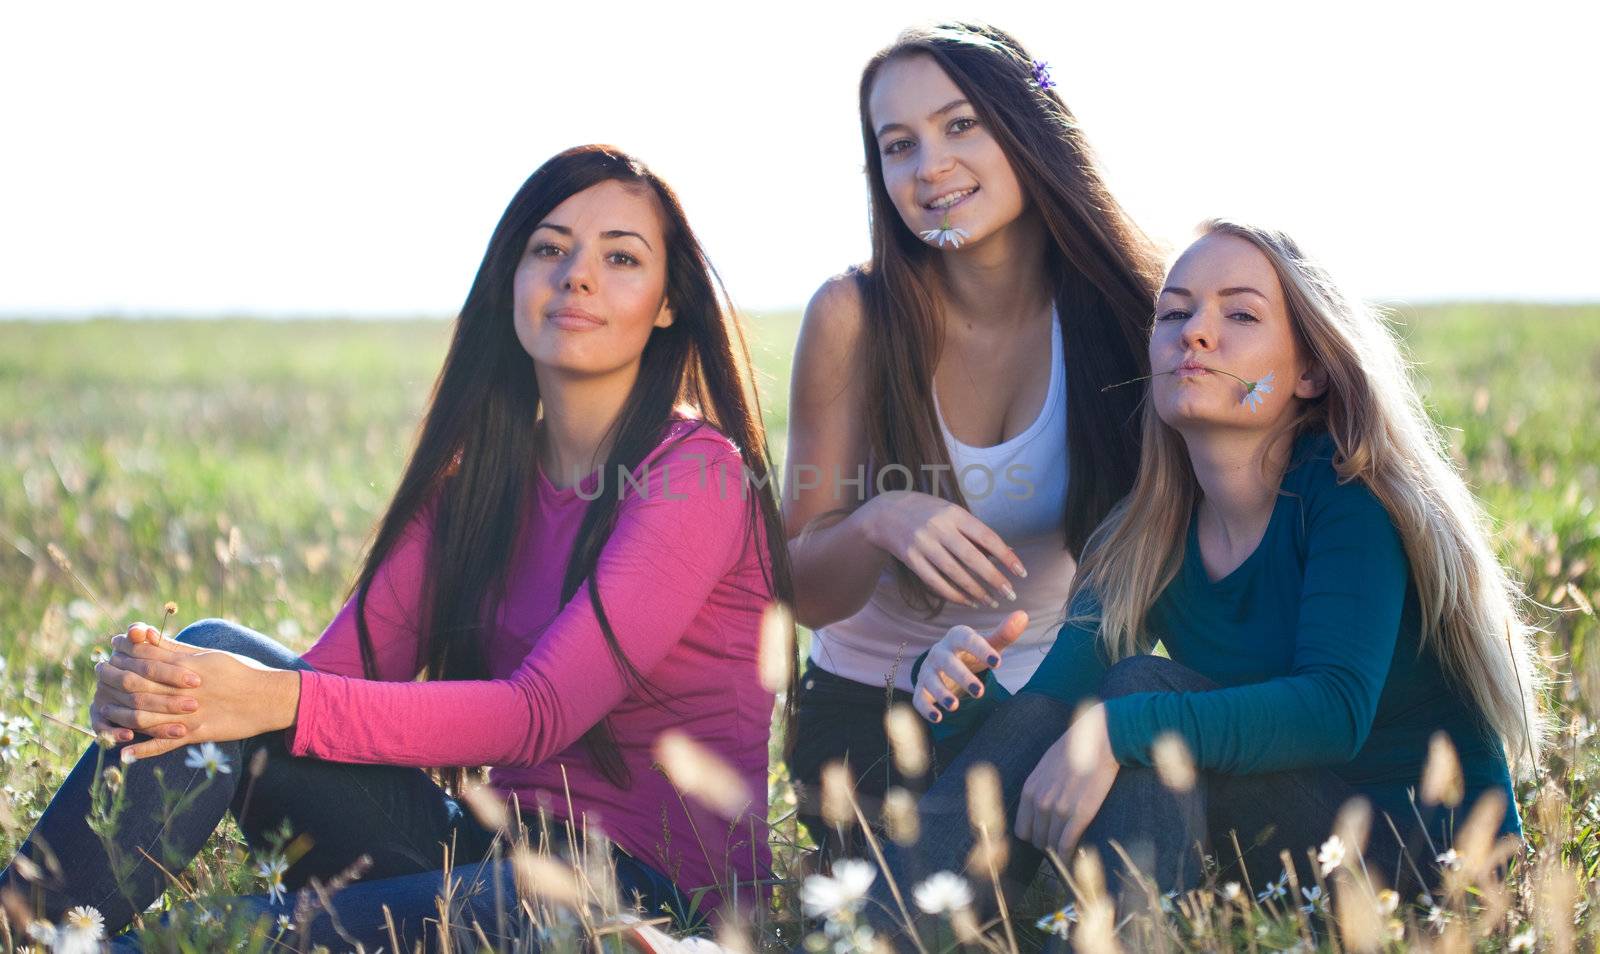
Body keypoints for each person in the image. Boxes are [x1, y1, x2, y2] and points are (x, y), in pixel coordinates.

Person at [0, 145, 795, 949]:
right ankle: (18, 923)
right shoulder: (479, 485)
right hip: (481, 853)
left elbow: (539, 714)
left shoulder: (698, 475)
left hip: (648, 899)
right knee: (207, 654)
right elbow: (330, 686)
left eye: (621, 257)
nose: (577, 275)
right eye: (549, 249)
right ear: (510, 283)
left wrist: (266, 699)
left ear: (667, 304)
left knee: (216, 936)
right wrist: (177, 693)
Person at [884, 220, 1545, 933]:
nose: (1195, 333)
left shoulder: (1349, 497)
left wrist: (1120, 727)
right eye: (1174, 313)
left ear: (1309, 372)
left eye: (1240, 314)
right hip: (1289, 861)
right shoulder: (1144, 537)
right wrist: (956, 691)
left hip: (1434, 879)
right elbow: (1044, 726)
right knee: (1126, 721)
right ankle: (874, 934)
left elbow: (1334, 711)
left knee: (1138, 701)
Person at [781, 21, 1164, 865]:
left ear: (1027, 128)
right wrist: (880, 520)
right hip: (874, 715)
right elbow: (801, 588)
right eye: (898, 145)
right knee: (957, 873)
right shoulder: (853, 319)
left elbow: (1165, 554)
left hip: (1057, 702)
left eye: (961, 126)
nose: (930, 167)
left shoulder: (1130, 315)